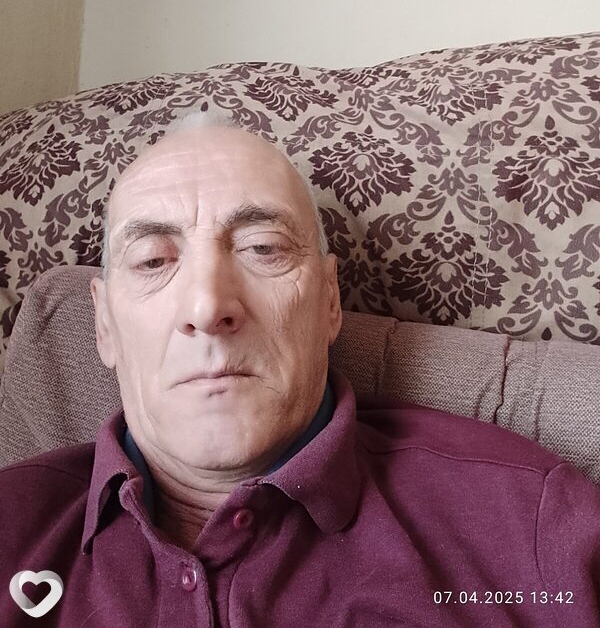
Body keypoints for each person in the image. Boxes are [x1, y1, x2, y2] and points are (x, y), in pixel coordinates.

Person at [1, 114, 600, 628]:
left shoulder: (530, 525)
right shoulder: (13, 525)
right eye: (153, 260)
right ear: (104, 326)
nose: (207, 308)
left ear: (330, 301)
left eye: (262, 248)